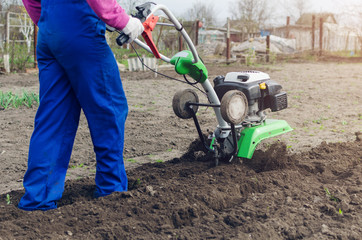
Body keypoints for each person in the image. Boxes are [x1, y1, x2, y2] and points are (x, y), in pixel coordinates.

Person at [19, 0, 144, 211]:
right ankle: (111, 191)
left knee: (53, 119)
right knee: (109, 110)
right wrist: (122, 20)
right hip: (81, 30)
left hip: (49, 31)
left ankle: (38, 197)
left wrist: (51, 19)